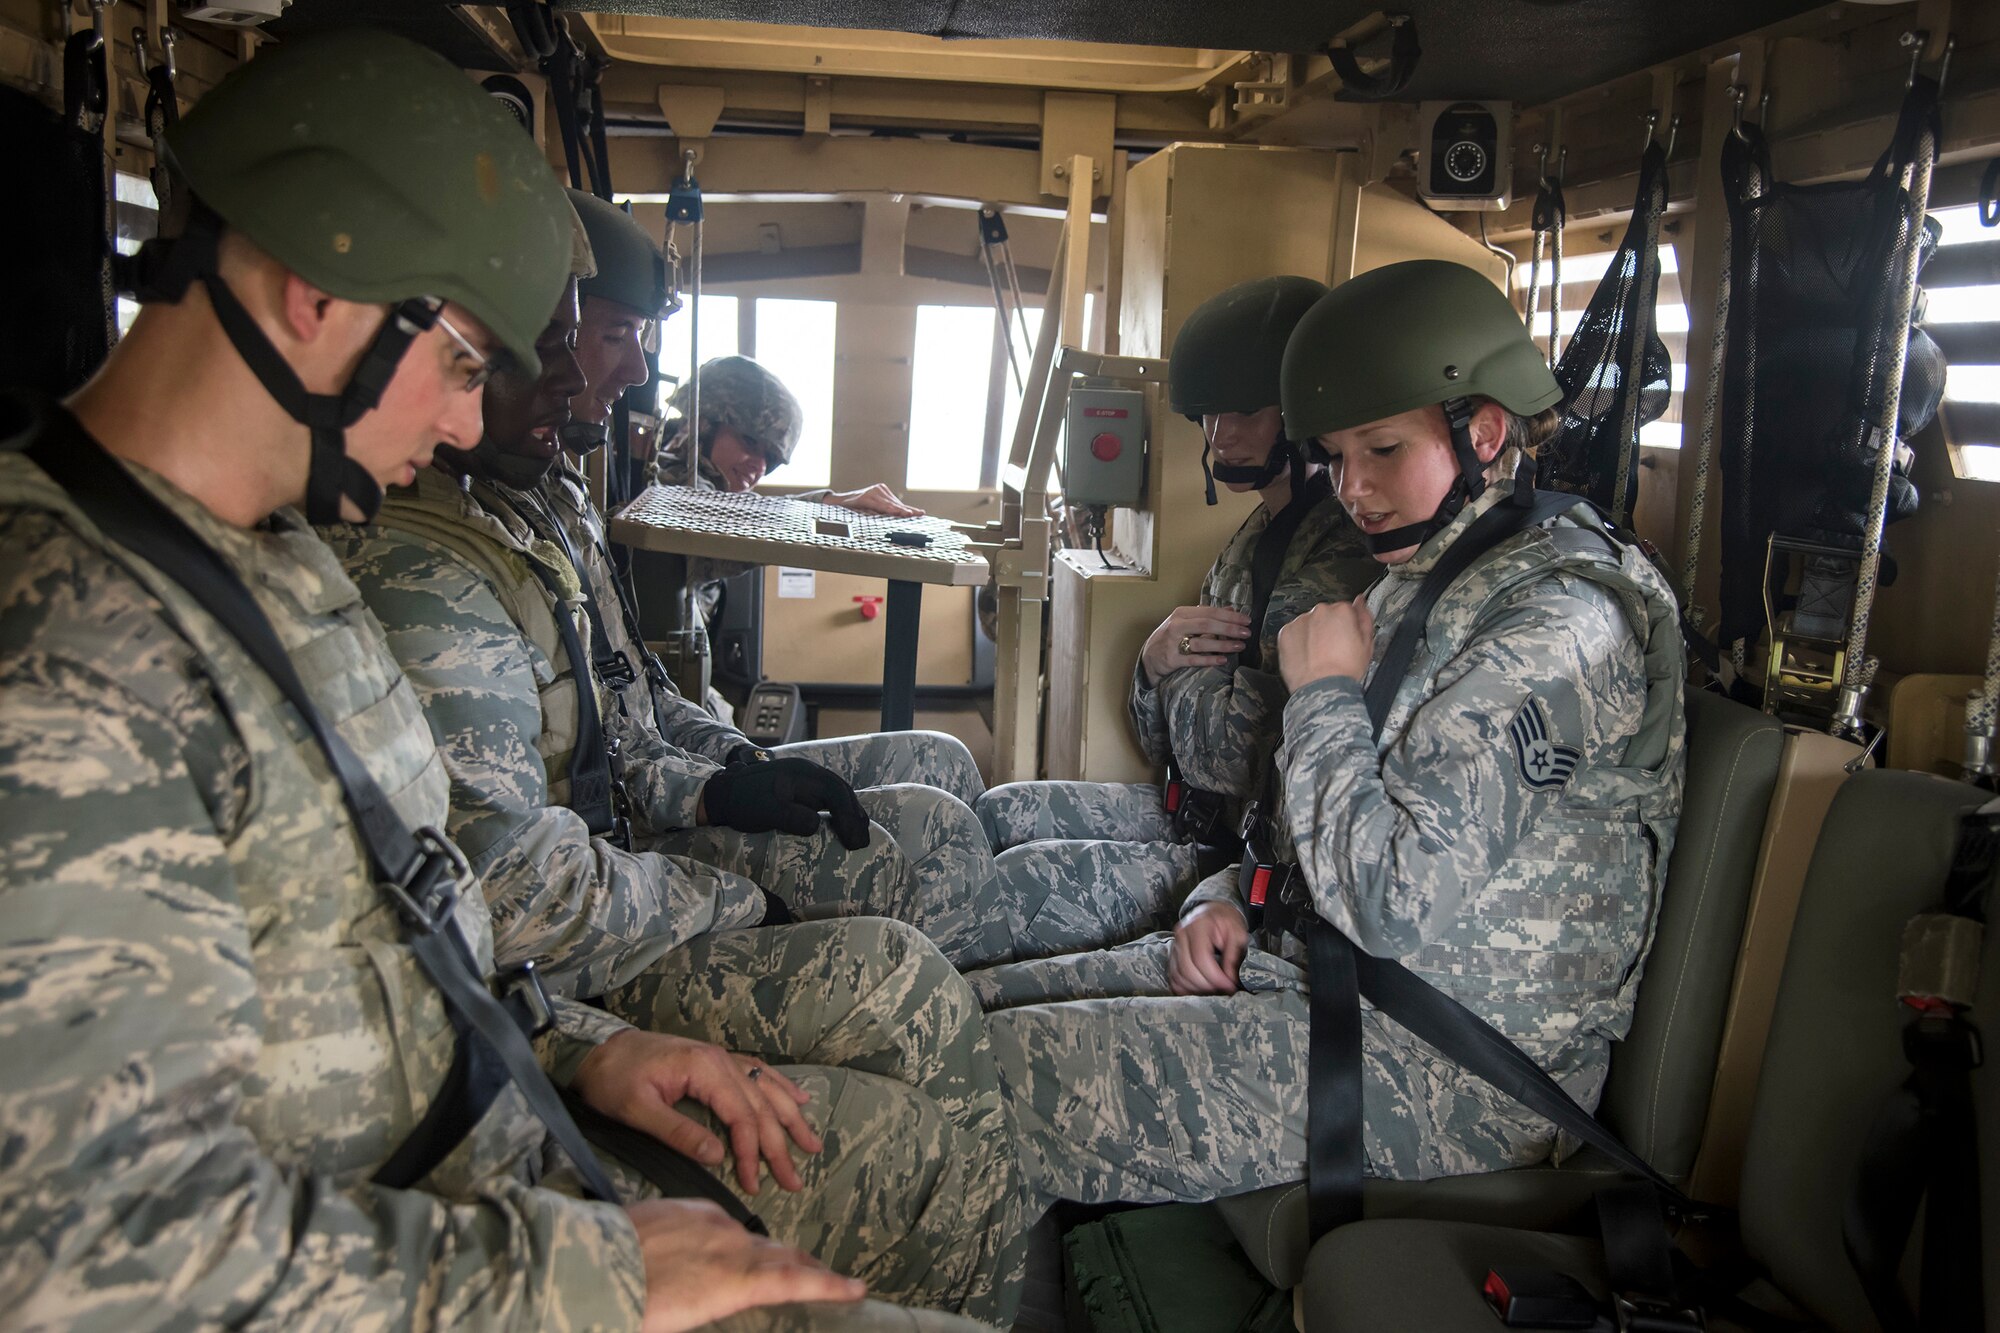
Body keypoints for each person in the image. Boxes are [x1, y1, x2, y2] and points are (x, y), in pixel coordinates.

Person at [0, 30, 989, 1331]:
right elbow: (87, 1263)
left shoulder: (272, 559)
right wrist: (595, 1271)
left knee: (938, 1171)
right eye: (465, 361)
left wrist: (583, 1048)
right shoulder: (66, 667)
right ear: (320, 287)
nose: (471, 424)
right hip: (431, 1259)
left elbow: (404, 911)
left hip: (499, 1146)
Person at [972, 259, 1686, 1204]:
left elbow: (1392, 897)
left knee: (984, 1086)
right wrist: (1228, 896)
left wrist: (1320, 696)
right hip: (1316, 970)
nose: (1353, 489)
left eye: (1382, 450)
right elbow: (1299, 821)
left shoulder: (1560, 625)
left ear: (1482, 432)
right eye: (1338, 456)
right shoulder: (1429, 576)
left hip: (1455, 1068)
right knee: (962, 1021)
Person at [969, 277, 1377, 961]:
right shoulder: (1257, 535)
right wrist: (1156, 659)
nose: (1222, 435)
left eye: (1245, 410)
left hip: (1236, 861)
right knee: (999, 810)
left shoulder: (1343, 555)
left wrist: (1171, 670)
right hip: (1191, 821)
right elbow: (1161, 739)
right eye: (1209, 416)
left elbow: (1230, 754)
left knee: (1008, 887)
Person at [551, 190, 986, 807]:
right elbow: (707, 525)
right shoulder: (660, 475)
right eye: (748, 443)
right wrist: (830, 504)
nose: (756, 465)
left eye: (770, 459)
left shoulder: (661, 474)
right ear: (705, 422)